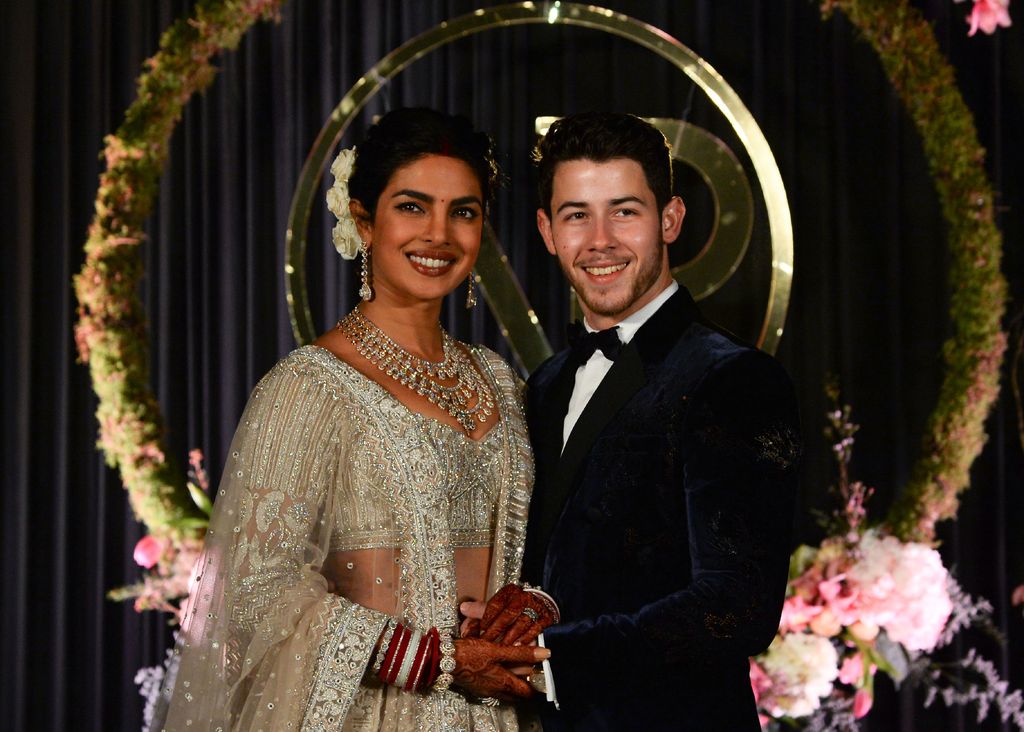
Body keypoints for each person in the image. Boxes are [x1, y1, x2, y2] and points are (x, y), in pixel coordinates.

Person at [154, 108, 555, 731]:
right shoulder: (308, 388)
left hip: (499, 714)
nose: (440, 234)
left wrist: (529, 606)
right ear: (365, 221)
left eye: (465, 212)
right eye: (413, 207)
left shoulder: (498, 380)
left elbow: (544, 543)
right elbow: (259, 591)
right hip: (374, 714)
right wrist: (439, 659)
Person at [471, 112, 801, 730]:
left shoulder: (734, 380)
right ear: (547, 230)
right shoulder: (544, 387)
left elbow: (738, 605)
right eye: (576, 215)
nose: (600, 240)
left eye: (624, 211)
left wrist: (548, 661)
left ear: (669, 219)